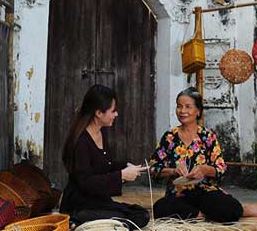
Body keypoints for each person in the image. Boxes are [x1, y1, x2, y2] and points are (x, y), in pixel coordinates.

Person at [59, 84, 150, 229]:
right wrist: (121, 175)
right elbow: (86, 182)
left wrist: (126, 167)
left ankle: (84, 223)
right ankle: (76, 220)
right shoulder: (81, 141)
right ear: (99, 113)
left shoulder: (101, 132)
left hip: (96, 200)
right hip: (80, 203)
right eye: (113, 111)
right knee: (128, 220)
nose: (116, 114)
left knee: (141, 214)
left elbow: (104, 165)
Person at [148, 87, 244, 223]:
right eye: (179, 106)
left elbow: (221, 168)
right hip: (178, 194)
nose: (182, 111)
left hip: (205, 192)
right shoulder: (169, 137)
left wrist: (204, 170)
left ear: (198, 111)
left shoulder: (207, 136)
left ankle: (195, 214)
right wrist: (173, 171)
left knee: (229, 208)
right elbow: (153, 168)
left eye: (188, 107)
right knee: (160, 208)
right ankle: (202, 214)